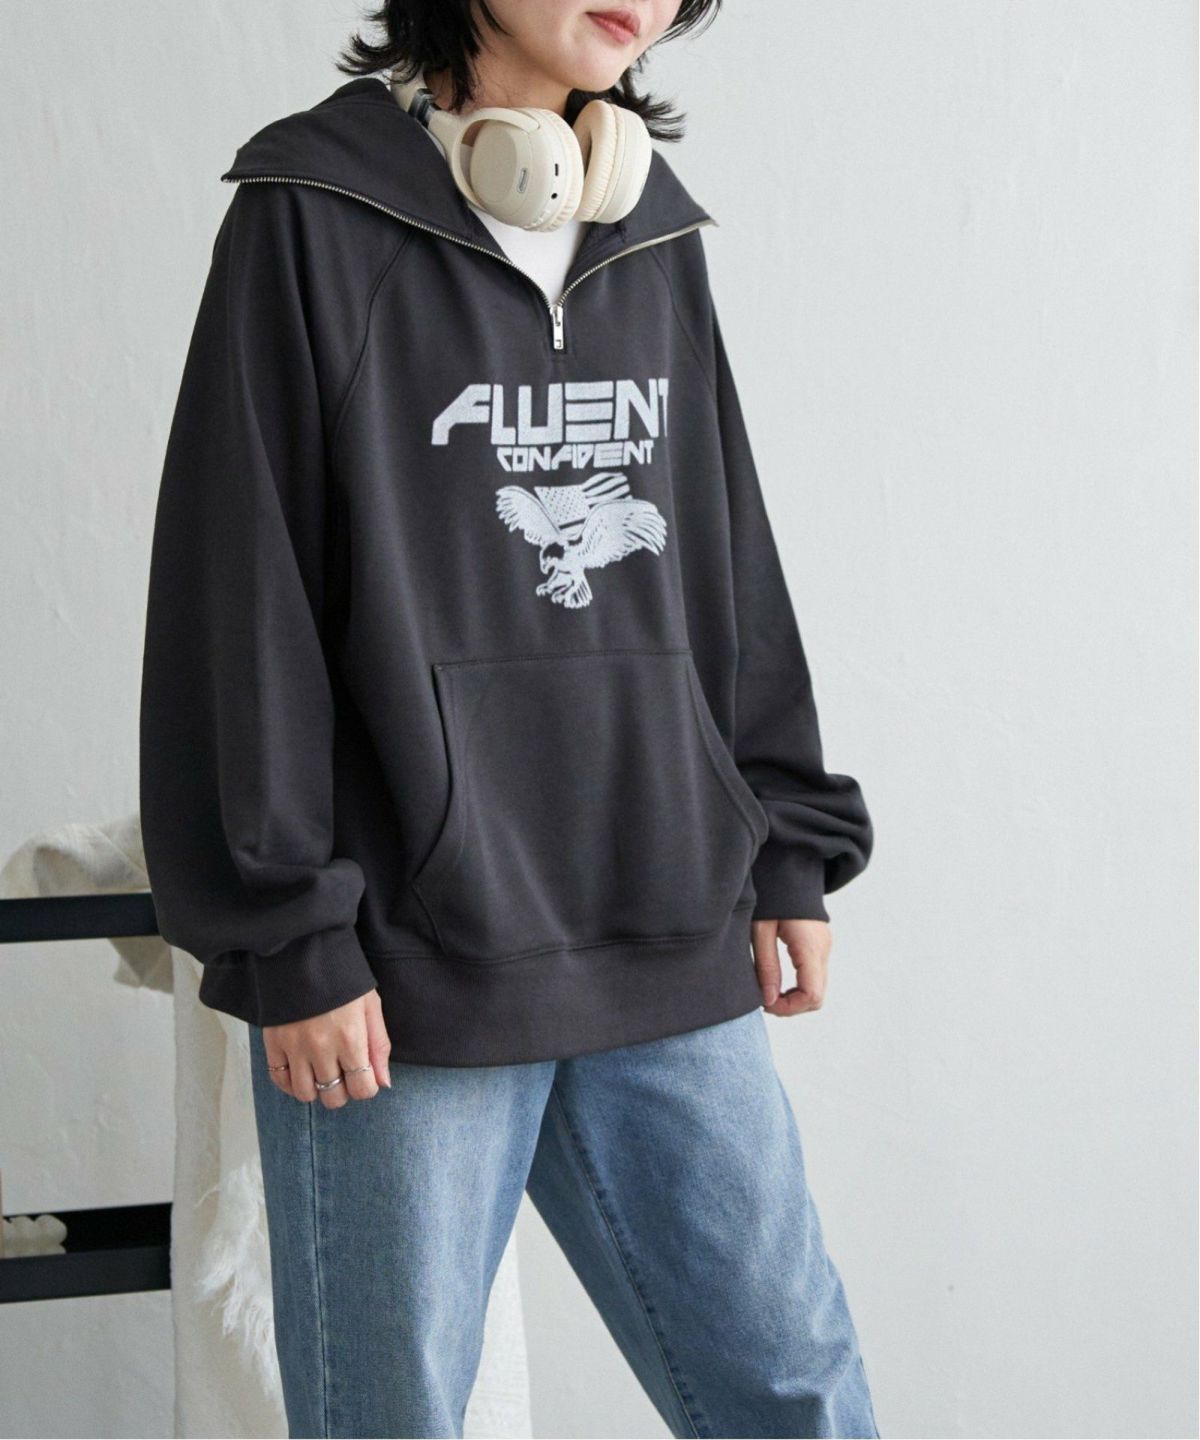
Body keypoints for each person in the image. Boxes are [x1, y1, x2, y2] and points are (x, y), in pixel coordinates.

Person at [137, 1, 880, 1435]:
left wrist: (786, 836)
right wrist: (290, 934)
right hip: (406, 980)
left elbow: (723, 550)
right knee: (395, 1419)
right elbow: (243, 592)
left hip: (669, 928)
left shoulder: (648, 229)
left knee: (797, 1395)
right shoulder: (310, 215)